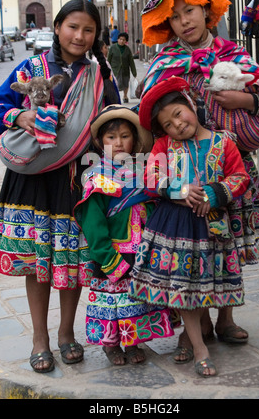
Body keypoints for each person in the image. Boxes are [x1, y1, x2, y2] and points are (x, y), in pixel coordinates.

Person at [138, 0, 259, 351]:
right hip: (186, 167)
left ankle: (226, 318)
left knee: (228, 241)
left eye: (191, 11)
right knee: (195, 243)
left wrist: (245, 102)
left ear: (207, 10)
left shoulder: (234, 53)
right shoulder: (165, 61)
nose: (185, 21)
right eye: (176, 17)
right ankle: (196, 324)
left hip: (230, 164)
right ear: (168, 25)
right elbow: (149, 108)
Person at [0, 0, 120, 374]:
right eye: (72, 27)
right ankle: (39, 339)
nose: (79, 36)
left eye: (88, 30)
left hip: (77, 180)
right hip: (32, 181)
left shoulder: (100, 76)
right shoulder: (32, 68)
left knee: (72, 259)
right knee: (36, 262)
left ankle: (66, 334)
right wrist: (21, 115)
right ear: (58, 27)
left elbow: (114, 122)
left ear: (96, 35)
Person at [129, 77, 250, 376]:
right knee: (185, 288)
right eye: (168, 124)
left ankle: (216, 325)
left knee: (212, 281)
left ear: (191, 105)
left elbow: (239, 176)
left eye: (179, 114)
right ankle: (198, 346)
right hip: (178, 228)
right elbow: (151, 177)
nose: (178, 125)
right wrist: (181, 191)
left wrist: (213, 193)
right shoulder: (163, 146)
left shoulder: (224, 142)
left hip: (214, 228)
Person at [73, 105, 174, 365]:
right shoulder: (96, 177)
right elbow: (93, 222)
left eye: (125, 136)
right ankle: (111, 345)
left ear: (135, 139)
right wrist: (107, 257)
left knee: (135, 299)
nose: (118, 143)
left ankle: (133, 341)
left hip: (140, 249)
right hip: (112, 252)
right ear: (99, 141)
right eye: (111, 137)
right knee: (111, 301)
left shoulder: (142, 173)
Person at [108, 32, 137, 103]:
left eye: (123, 40)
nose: (121, 41)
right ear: (117, 40)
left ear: (126, 41)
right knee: (116, 83)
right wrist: (107, 69)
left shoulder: (127, 50)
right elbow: (108, 59)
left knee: (125, 83)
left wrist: (134, 72)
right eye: (120, 39)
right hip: (115, 70)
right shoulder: (112, 48)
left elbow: (131, 61)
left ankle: (125, 96)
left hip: (125, 69)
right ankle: (115, 96)